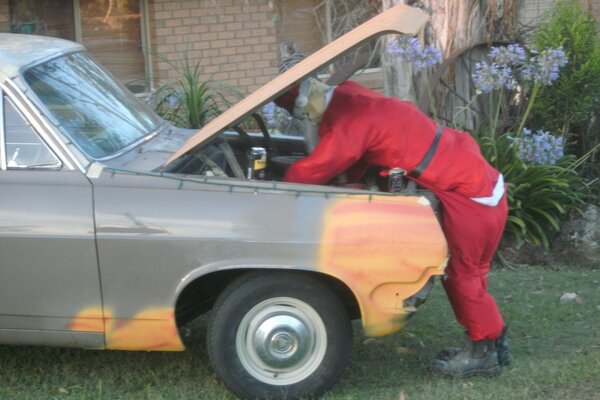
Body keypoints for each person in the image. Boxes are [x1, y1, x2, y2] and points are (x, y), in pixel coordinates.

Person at [274, 69, 511, 377]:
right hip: (481, 181)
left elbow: (311, 172)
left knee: (462, 276)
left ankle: (482, 353)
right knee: (474, 274)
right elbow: (362, 152)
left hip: (469, 196)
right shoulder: (352, 93)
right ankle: (494, 343)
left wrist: (279, 184)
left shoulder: (350, 124)